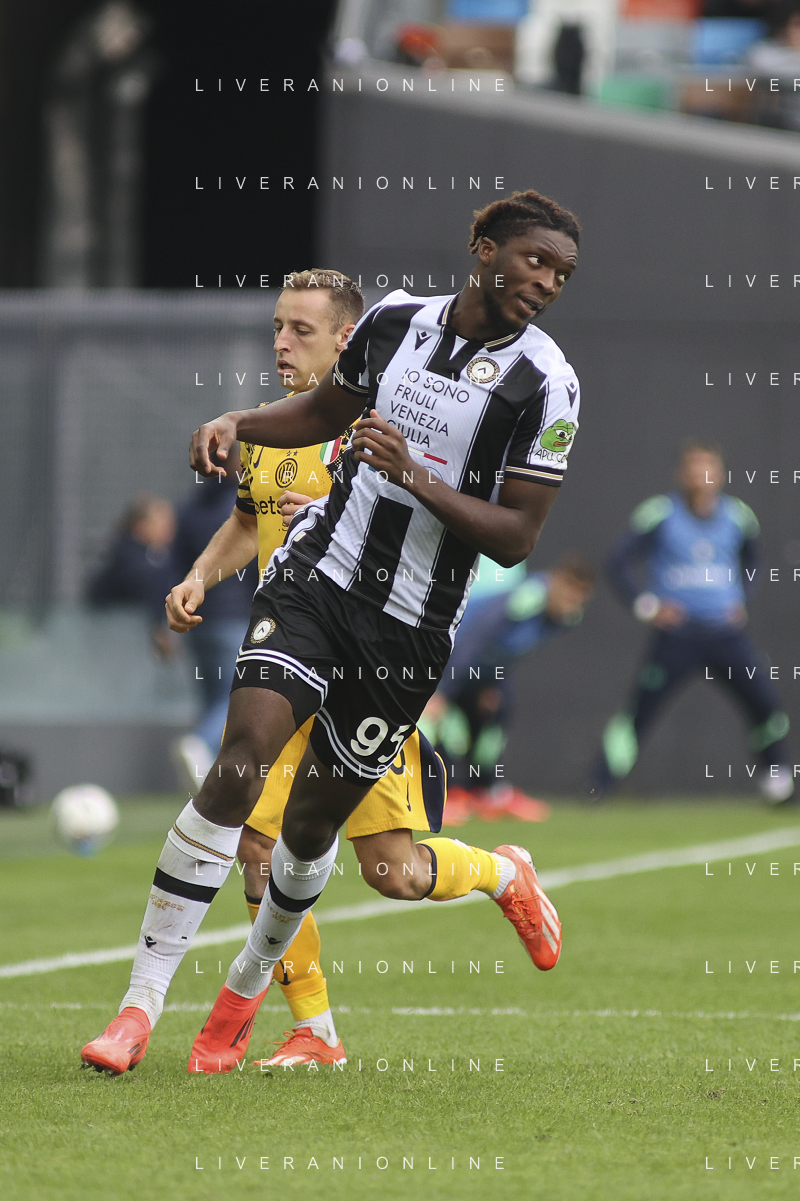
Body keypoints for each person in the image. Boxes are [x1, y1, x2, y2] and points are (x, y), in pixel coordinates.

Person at [81, 188, 580, 1078]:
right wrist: (237, 421)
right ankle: (139, 1009)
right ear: (483, 249)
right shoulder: (396, 322)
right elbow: (318, 418)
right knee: (239, 771)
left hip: (409, 631)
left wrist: (415, 477)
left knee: (345, 850)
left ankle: (261, 986)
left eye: (561, 273)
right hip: (318, 582)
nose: (545, 281)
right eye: (533, 260)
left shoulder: (547, 383)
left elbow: (516, 538)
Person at [82, 268, 447, 1072]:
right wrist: (198, 577)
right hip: (289, 652)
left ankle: (502, 873)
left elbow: (445, 544)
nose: (281, 342)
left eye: (300, 330)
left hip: (370, 665)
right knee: (252, 830)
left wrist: (352, 526)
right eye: (277, 326)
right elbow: (248, 524)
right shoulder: (266, 429)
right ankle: (299, 1025)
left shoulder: (393, 429)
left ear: (348, 340)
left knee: (391, 868)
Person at [589, 441, 792, 803]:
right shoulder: (659, 513)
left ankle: (778, 784)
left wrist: (742, 598)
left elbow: (755, 560)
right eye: (694, 468)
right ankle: (598, 788)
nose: (701, 476)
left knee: (766, 703)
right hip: (677, 635)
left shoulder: (739, 515)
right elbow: (617, 562)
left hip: (725, 633)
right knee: (639, 714)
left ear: (721, 474)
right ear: (681, 475)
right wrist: (647, 606)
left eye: (708, 468)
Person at [423, 553, 595, 821]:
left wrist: (491, 684)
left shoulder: (566, 618)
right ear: (555, 582)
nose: (571, 603)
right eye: (568, 593)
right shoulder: (526, 598)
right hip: (445, 658)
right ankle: (440, 797)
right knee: (442, 727)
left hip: (481, 672)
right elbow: (473, 637)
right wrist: (441, 692)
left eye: (579, 598)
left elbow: (509, 650)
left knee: (498, 712)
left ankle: (486, 793)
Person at [170, 445, 257, 789]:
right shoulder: (241, 505)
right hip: (234, 617)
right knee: (231, 697)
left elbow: (173, 565)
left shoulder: (190, 508)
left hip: (196, 616)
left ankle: (209, 772)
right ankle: (200, 745)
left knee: (212, 697)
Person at [87, 493, 176, 658]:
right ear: (140, 526)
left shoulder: (161, 557)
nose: (169, 529)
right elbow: (146, 589)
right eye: (161, 522)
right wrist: (160, 628)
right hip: (116, 644)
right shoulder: (127, 558)